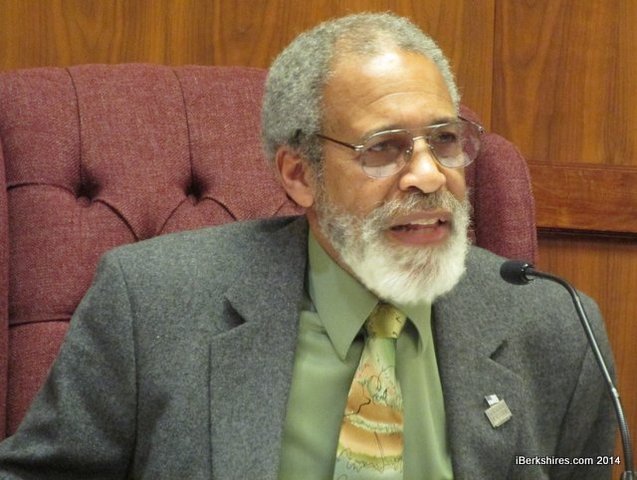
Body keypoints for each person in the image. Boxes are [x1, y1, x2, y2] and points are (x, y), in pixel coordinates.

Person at [0, 12, 616, 480]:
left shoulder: (557, 326)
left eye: (445, 140)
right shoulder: (154, 302)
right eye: (384, 148)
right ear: (300, 175)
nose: (430, 176)